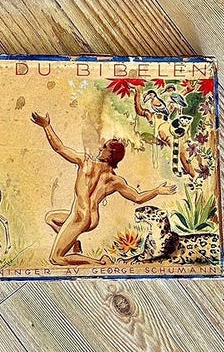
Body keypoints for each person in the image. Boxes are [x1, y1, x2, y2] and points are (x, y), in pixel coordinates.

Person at [31, 112, 177, 266]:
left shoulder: (86, 162)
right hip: (92, 218)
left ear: (110, 154)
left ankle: (99, 263)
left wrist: (47, 126)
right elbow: (137, 198)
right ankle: (74, 243)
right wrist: (156, 191)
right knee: (51, 218)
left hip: (80, 215)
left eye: (105, 147)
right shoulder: (114, 180)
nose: (101, 147)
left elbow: (59, 148)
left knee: (56, 258)